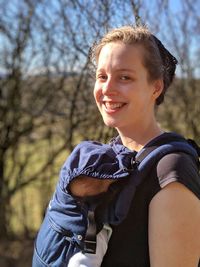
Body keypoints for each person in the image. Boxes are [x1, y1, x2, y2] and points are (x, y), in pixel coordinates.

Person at [87, 25, 200, 267]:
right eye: (102, 76)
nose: (107, 89)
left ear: (156, 87)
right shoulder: (112, 157)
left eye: (124, 77)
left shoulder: (170, 171)